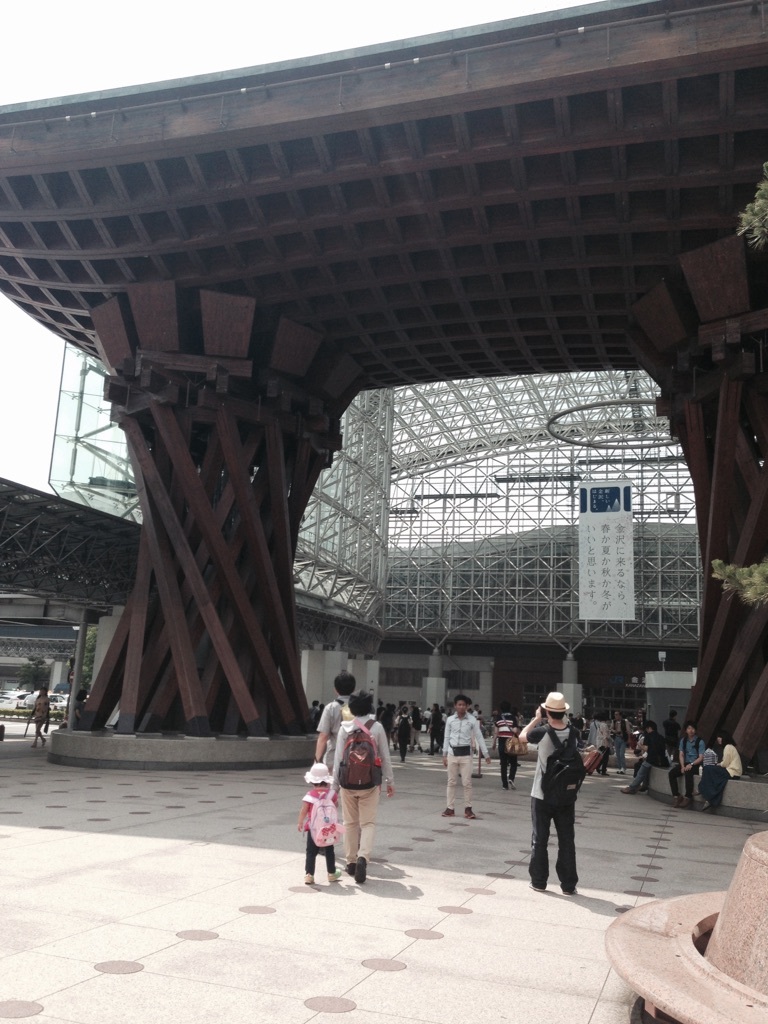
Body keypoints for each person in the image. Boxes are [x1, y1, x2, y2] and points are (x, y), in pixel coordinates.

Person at [519, 691, 580, 896]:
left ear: (547, 711)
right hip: (566, 795)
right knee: (567, 840)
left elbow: (521, 737)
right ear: (564, 711)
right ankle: (568, 885)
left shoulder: (541, 731)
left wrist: (536, 719)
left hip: (542, 793)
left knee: (540, 839)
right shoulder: (574, 732)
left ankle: (539, 881)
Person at [332, 690, 394, 883]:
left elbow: (338, 760)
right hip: (369, 783)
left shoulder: (344, 728)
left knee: (350, 823)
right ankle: (362, 858)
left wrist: (334, 787)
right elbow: (385, 757)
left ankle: (350, 861)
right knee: (367, 823)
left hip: (347, 783)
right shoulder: (377, 727)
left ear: (351, 708)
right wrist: (390, 781)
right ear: (370, 707)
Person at [441, 694, 491, 819]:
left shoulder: (472, 720)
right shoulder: (450, 720)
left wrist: (486, 754)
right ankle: (450, 808)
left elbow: (479, 736)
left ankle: (468, 809)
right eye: (459, 704)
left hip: (466, 756)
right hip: (452, 754)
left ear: (467, 706)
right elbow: (446, 737)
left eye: (464, 705)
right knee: (451, 782)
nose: (461, 707)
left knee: (467, 782)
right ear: (455, 706)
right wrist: (444, 754)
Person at [297, 762, 343, 885]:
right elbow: (336, 806)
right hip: (328, 829)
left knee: (311, 852)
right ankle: (332, 873)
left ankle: (309, 875)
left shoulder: (309, 796)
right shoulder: (332, 794)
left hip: (313, 828)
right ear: (326, 781)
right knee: (329, 850)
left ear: (312, 781)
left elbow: (304, 810)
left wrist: (300, 822)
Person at [314, 670, 356, 768]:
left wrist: (316, 760)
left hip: (334, 757)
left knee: (333, 778)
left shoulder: (331, 707)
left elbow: (323, 736)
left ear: (335, 689)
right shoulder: (362, 707)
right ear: (354, 689)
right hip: (357, 757)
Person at [620, 720, 669, 794]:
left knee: (641, 772)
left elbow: (646, 748)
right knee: (643, 767)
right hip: (662, 761)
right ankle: (644, 785)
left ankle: (632, 787)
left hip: (651, 759)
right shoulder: (661, 737)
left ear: (649, 728)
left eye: (646, 729)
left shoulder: (648, 736)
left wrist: (639, 745)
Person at [698, 731, 742, 812]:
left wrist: (717, 764)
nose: (718, 739)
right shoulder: (731, 747)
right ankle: (704, 789)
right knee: (710, 770)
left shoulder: (728, 747)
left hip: (732, 771)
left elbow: (725, 763)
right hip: (733, 771)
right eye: (718, 737)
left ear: (724, 738)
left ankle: (702, 788)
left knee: (707, 768)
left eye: (720, 737)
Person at [668, 720, 705, 808]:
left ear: (695, 730)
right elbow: (681, 754)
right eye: (689, 728)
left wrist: (691, 764)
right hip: (685, 763)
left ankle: (688, 796)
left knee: (689, 772)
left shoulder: (700, 742)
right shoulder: (683, 741)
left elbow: (701, 757)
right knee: (671, 773)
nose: (691, 730)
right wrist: (682, 766)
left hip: (695, 764)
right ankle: (676, 795)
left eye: (693, 728)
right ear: (686, 730)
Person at [492, 700, 519, 791]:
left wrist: (494, 743)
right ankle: (511, 778)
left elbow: (496, 732)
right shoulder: (513, 717)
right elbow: (515, 730)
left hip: (502, 743)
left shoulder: (499, 718)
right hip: (511, 742)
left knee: (503, 764)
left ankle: (505, 785)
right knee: (513, 763)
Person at [610, 710, 629, 774]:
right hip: (616, 738)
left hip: (623, 738)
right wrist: (614, 731)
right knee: (617, 754)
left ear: (620, 715)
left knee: (621, 753)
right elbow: (611, 728)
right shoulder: (614, 721)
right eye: (615, 714)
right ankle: (620, 767)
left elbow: (628, 730)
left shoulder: (625, 721)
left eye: (617, 714)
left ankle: (623, 767)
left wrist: (627, 737)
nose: (615, 716)